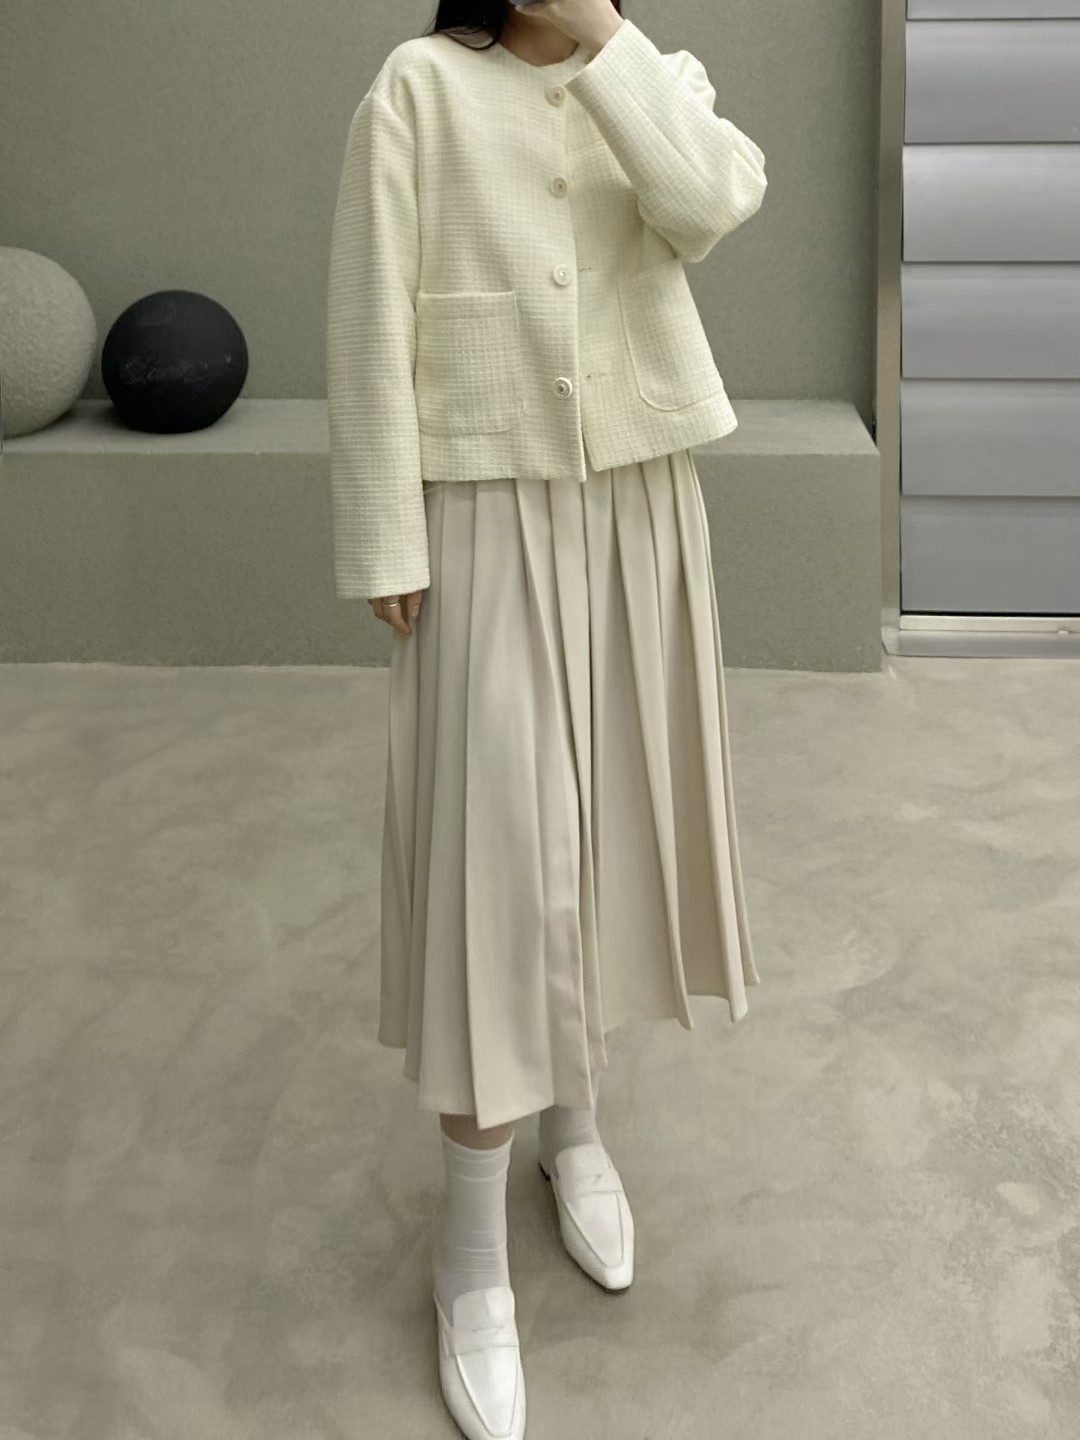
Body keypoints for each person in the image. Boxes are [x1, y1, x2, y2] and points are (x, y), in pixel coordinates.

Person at [326, 1, 767, 1435]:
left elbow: (711, 203)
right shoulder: (417, 87)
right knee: (499, 865)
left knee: (613, 830)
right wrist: (386, 532)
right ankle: (470, 1252)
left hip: (639, 501)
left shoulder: (654, 75)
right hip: (481, 500)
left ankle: (575, 1124)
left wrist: (607, 40)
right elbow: (369, 309)